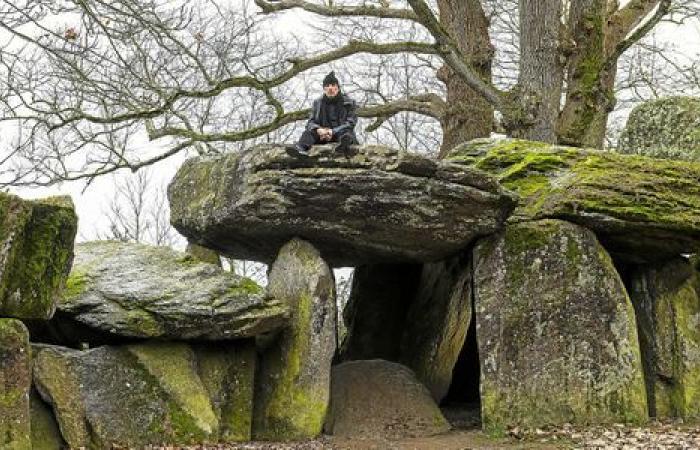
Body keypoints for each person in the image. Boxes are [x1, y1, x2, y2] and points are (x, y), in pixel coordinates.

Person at [286, 71, 359, 158]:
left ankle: (343, 146)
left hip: (340, 133)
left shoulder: (349, 102)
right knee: (308, 133)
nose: (330, 88)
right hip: (322, 136)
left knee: (346, 134)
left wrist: (333, 131)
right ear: (324, 89)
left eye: (333, 85)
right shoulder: (317, 103)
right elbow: (310, 122)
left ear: (338, 88)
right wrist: (318, 129)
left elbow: (351, 123)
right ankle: (301, 149)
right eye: (327, 86)